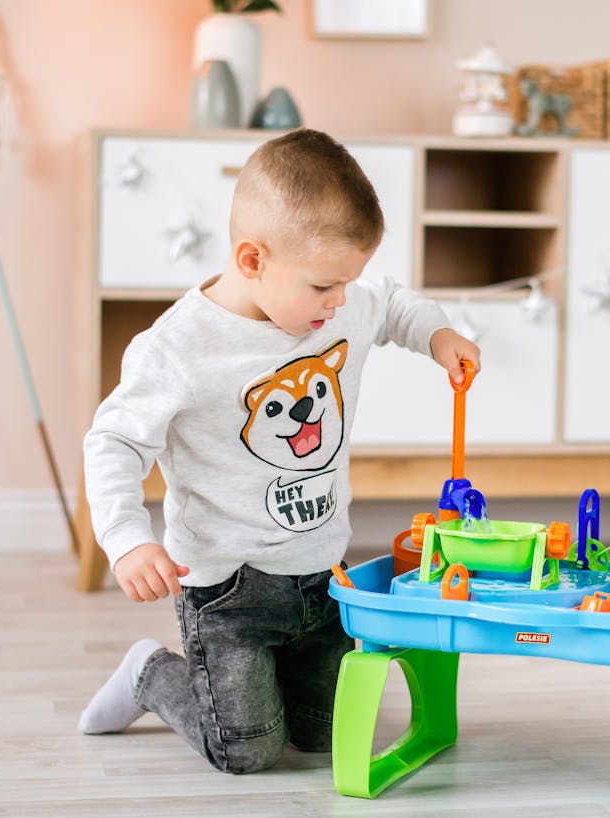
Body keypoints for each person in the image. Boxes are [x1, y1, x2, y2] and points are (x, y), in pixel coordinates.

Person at [77, 128, 481, 774]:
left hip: (321, 575)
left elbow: (390, 303)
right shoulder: (179, 348)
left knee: (321, 735)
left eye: (347, 283)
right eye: (324, 286)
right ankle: (151, 674)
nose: (340, 301)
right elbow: (114, 441)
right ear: (251, 260)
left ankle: (275, 683)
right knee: (247, 749)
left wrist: (436, 334)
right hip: (226, 590)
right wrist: (126, 539)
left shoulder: (338, 305)